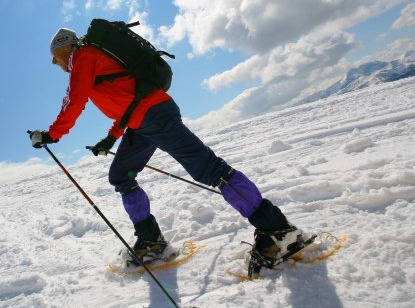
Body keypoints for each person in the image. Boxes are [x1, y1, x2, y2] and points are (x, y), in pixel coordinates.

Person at [29, 27, 303, 271]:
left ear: (65, 47)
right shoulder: (92, 59)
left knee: (210, 169)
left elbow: (73, 101)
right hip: (143, 121)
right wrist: (111, 139)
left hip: (154, 116)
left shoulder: (82, 57)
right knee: (121, 175)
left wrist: (51, 135)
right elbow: (126, 100)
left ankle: (277, 230)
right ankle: (151, 242)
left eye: (56, 56)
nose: (56, 62)